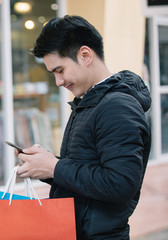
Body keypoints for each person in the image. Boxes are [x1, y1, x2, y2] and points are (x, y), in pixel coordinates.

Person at [16, 15, 151, 240]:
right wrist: (43, 164)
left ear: (85, 55)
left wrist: (54, 167)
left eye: (60, 70)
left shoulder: (116, 107)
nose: (58, 82)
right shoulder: (91, 101)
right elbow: (88, 170)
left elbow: (120, 184)